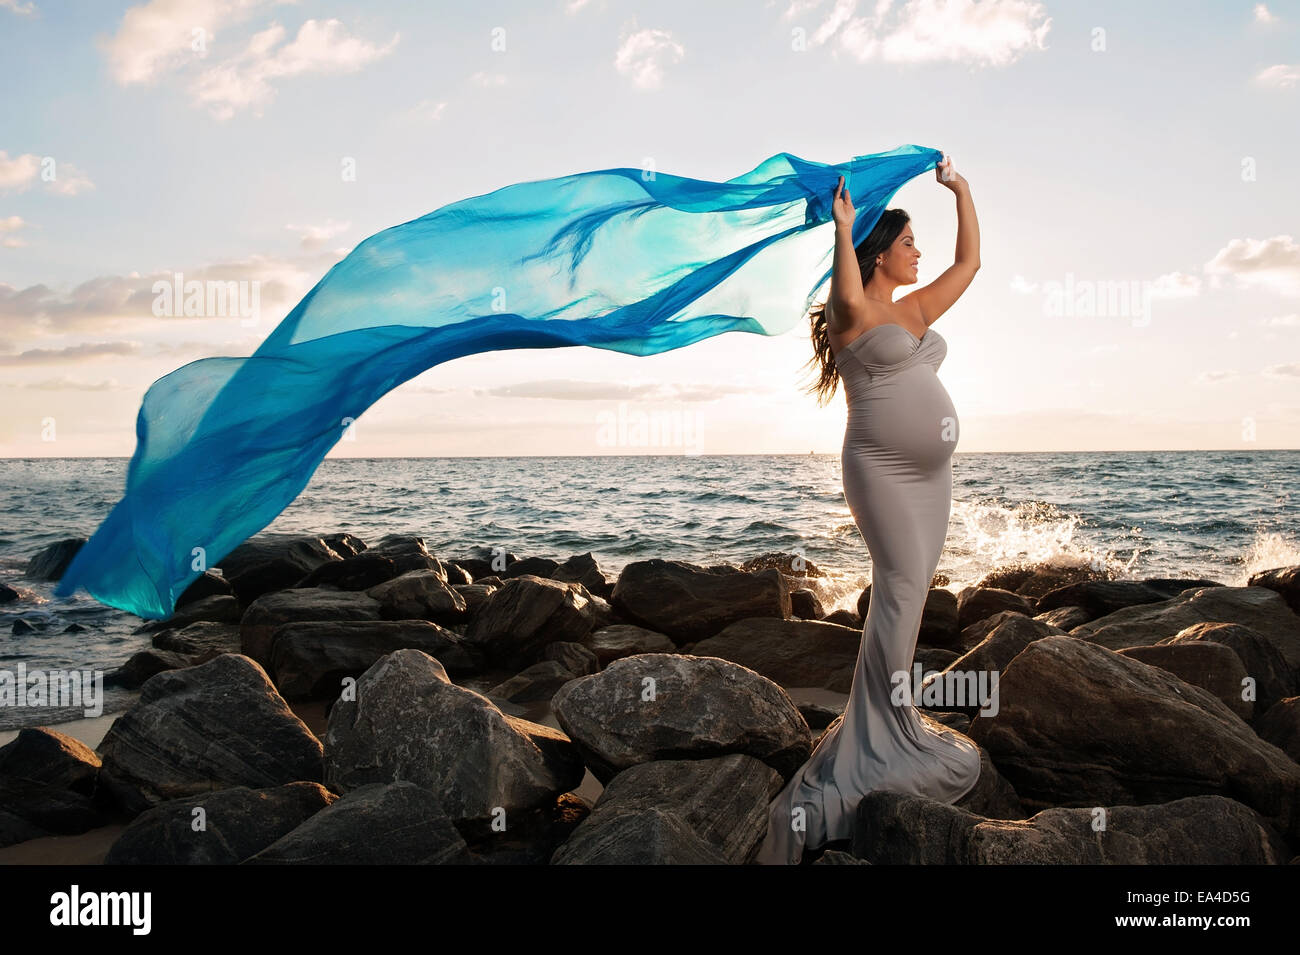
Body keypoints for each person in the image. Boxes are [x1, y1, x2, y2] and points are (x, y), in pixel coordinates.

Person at [754, 154, 983, 865]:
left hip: (930, 479)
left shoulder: (913, 309)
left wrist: (961, 191)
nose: (921, 253)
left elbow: (971, 264)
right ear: (880, 254)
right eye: (910, 242)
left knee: (906, 598)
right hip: (880, 470)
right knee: (901, 591)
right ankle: (879, 741)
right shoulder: (855, 307)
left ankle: (885, 722)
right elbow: (844, 289)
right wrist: (844, 226)